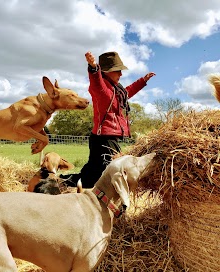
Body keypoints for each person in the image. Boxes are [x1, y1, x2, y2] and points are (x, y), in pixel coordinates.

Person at [61, 51, 156, 188]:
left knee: (92, 173)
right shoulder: (101, 88)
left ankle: (62, 181)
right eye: (117, 71)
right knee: (109, 173)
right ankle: (64, 182)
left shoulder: (116, 90)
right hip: (104, 138)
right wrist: (93, 68)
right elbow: (96, 80)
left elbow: (127, 92)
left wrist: (143, 81)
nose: (121, 74)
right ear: (106, 72)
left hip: (102, 138)